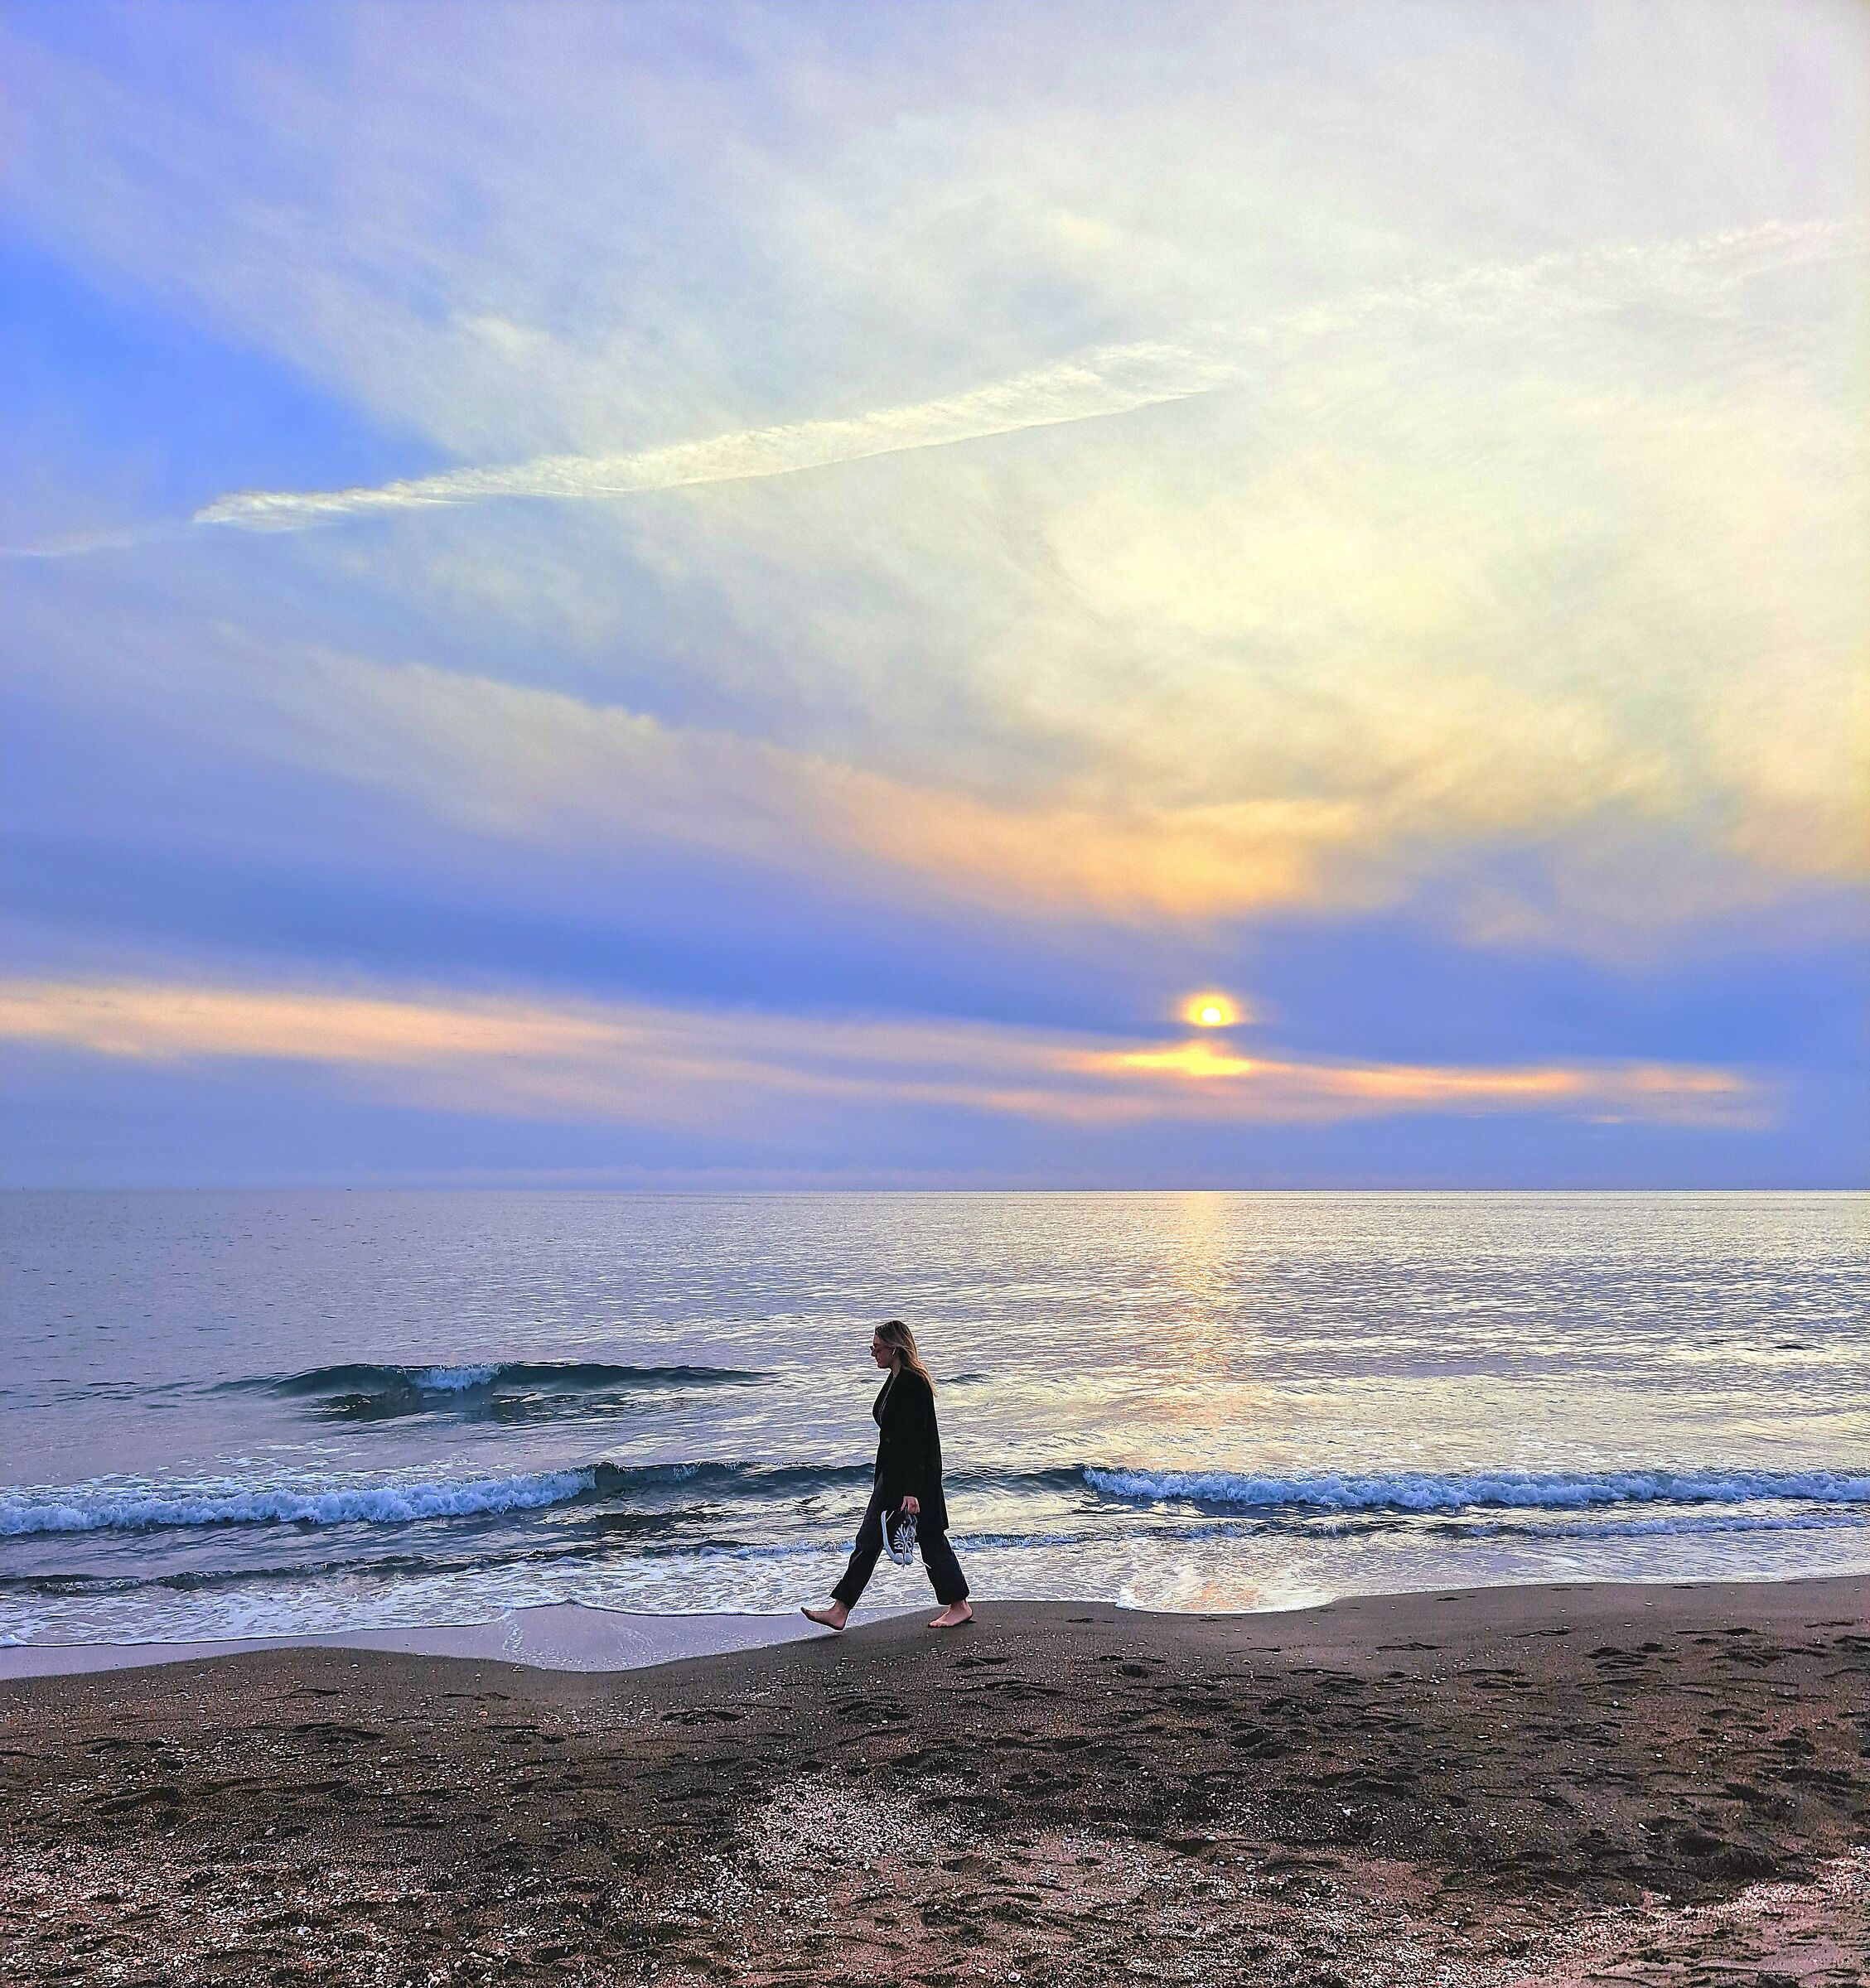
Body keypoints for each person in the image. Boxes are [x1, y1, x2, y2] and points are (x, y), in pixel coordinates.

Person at [803, 1319, 973, 1632]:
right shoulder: (896, 1379)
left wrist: (911, 1492)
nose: (873, 1353)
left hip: (912, 1479)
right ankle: (840, 1610)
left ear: (894, 1348)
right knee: (869, 1539)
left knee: (930, 1537)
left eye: (877, 1347)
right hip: (893, 1477)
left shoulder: (913, 1383)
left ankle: (959, 1605)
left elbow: (915, 1442)